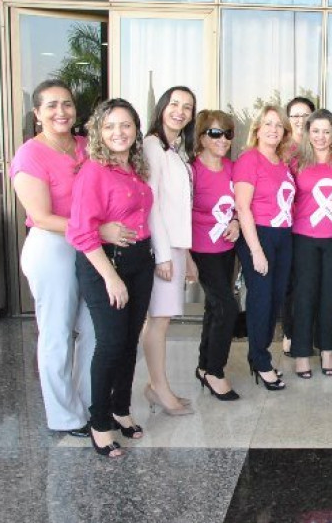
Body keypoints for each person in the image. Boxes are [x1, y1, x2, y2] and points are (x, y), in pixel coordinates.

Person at [10, 80, 112, 437]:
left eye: (67, 104)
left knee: (93, 329)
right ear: (37, 113)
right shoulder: (29, 154)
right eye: (51, 105)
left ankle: (88, 404)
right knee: (56, 333)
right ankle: (65, 416)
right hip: (53, 246)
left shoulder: (86, 146)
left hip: (89, 248)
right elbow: (41, 216)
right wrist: (97, 230)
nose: (61, 112)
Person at [67, 98, 155, 458]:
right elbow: (81, 232)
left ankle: (121, 408)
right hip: (105, 265)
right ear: (98, 132)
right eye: (110, 126)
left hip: (138, 261)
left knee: (130, 341)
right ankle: (99, 422)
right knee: (111, 344)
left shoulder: (135, 168)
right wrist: (111, 278)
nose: (119, 132)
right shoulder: (93, 171)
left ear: (135, 130)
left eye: (126, 125)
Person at [139, 86, 197, 416]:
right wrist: (162, 255)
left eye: (187, 107)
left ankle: (157, 386)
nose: (180, 111)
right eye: (174, 104)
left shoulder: (175, 149)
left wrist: (184, 254)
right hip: (162, 247)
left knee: (163, 319)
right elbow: (152, 205)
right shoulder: (151, 146)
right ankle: (159, 389)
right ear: (162, 107)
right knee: (158, 320)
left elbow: (180, 208)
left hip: (175, 245)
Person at [234, 105, 295, 391]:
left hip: (284, 236)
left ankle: (261, 355)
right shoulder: (249, 160)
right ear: (257, 128)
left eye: (278, 125)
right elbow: (243, 207)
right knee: (261, 299)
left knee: (275, 299)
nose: (273, 129)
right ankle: (260, 360)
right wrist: (256, 250)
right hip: (259, 236)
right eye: (267, 124)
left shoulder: (283, 162)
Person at [189, 110, 241, 401]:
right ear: (201, 137)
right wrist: (184, 257)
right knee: (226, 308)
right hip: (202, 249)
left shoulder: (232, 168)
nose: (223, 140)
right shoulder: (191, 171)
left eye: (228, 134)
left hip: (226, 248)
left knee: (214, 307)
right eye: (215, 133)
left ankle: (202, 365)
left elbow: (239, 204)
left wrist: (234, 222)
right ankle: (215, 371)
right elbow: (179, 213)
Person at [291, 109, 332, 378]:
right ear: (307, 133)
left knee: (330, 296)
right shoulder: (296, 161)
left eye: (326, 131)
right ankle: (302, 353)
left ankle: (327, 350)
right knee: (304, 296)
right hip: (303, 238)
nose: (321, 136)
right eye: (316, 131)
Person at [281, 96, 317, 356]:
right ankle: (289, 333)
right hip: (284, 226)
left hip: (309, 226)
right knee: (290, 284)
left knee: (308, 283)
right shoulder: (281, 148)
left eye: (306, 115)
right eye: (295, 115)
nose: (300, 120)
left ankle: (308, 332)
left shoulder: (317, 147)